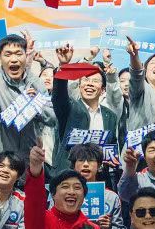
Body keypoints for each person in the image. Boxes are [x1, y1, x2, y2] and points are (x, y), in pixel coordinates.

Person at [0, 33, 56, 172]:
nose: (13, 59)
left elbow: (52, 118)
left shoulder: (36, 82)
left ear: (26, 56)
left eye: (19, 54)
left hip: (29, 161)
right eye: (8, 54)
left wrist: (37, 104)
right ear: (0, 58)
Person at [50, 44, 125, 172]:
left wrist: (112, 162)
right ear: (79, 86)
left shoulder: (110, 116)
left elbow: (111, 147)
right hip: (69, 175)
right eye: (85, 80)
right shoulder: (70, 108)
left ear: (103, 90)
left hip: (99, 176)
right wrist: (63, 66)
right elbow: (59, 96)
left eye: (95, 81)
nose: (89, 84)